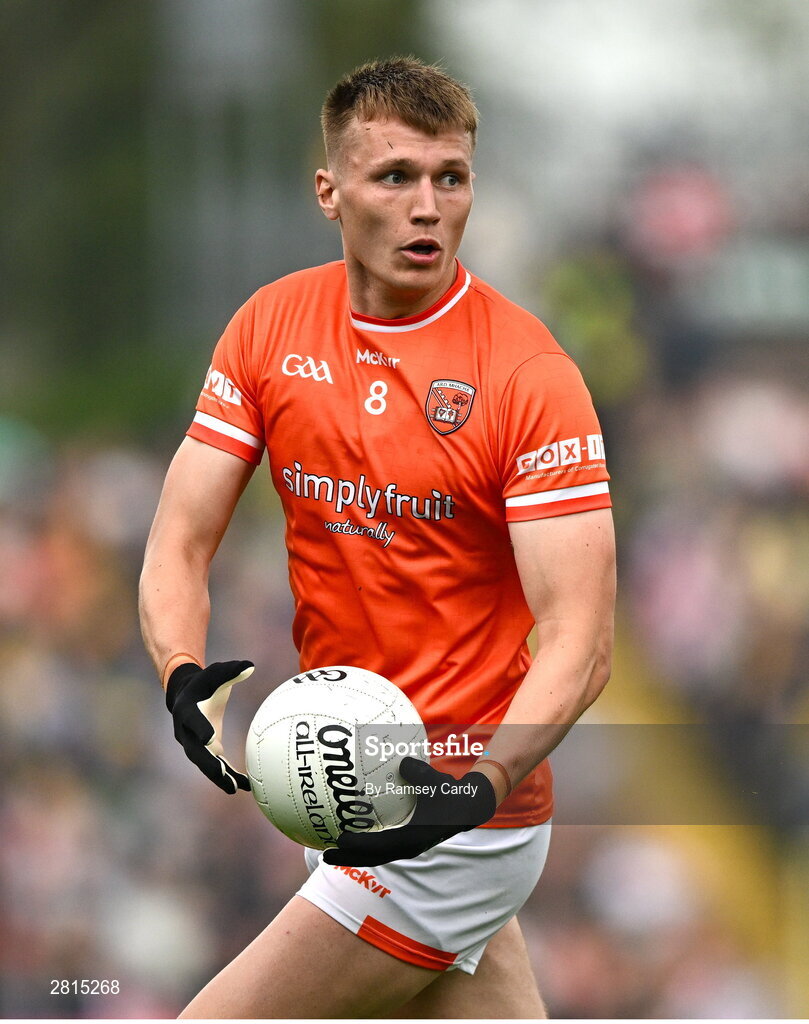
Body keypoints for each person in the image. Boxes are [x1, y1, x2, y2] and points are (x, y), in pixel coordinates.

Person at [140, 56, 615, 1019]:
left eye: (451, 177)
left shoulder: (529, 373)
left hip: (459, 827)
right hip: (347, 790)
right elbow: (180, 540)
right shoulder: (269, 327)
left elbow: (583, 638)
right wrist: (180, 670)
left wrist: (474, 790)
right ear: (330, 191)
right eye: (394, 176)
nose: (427, 206)